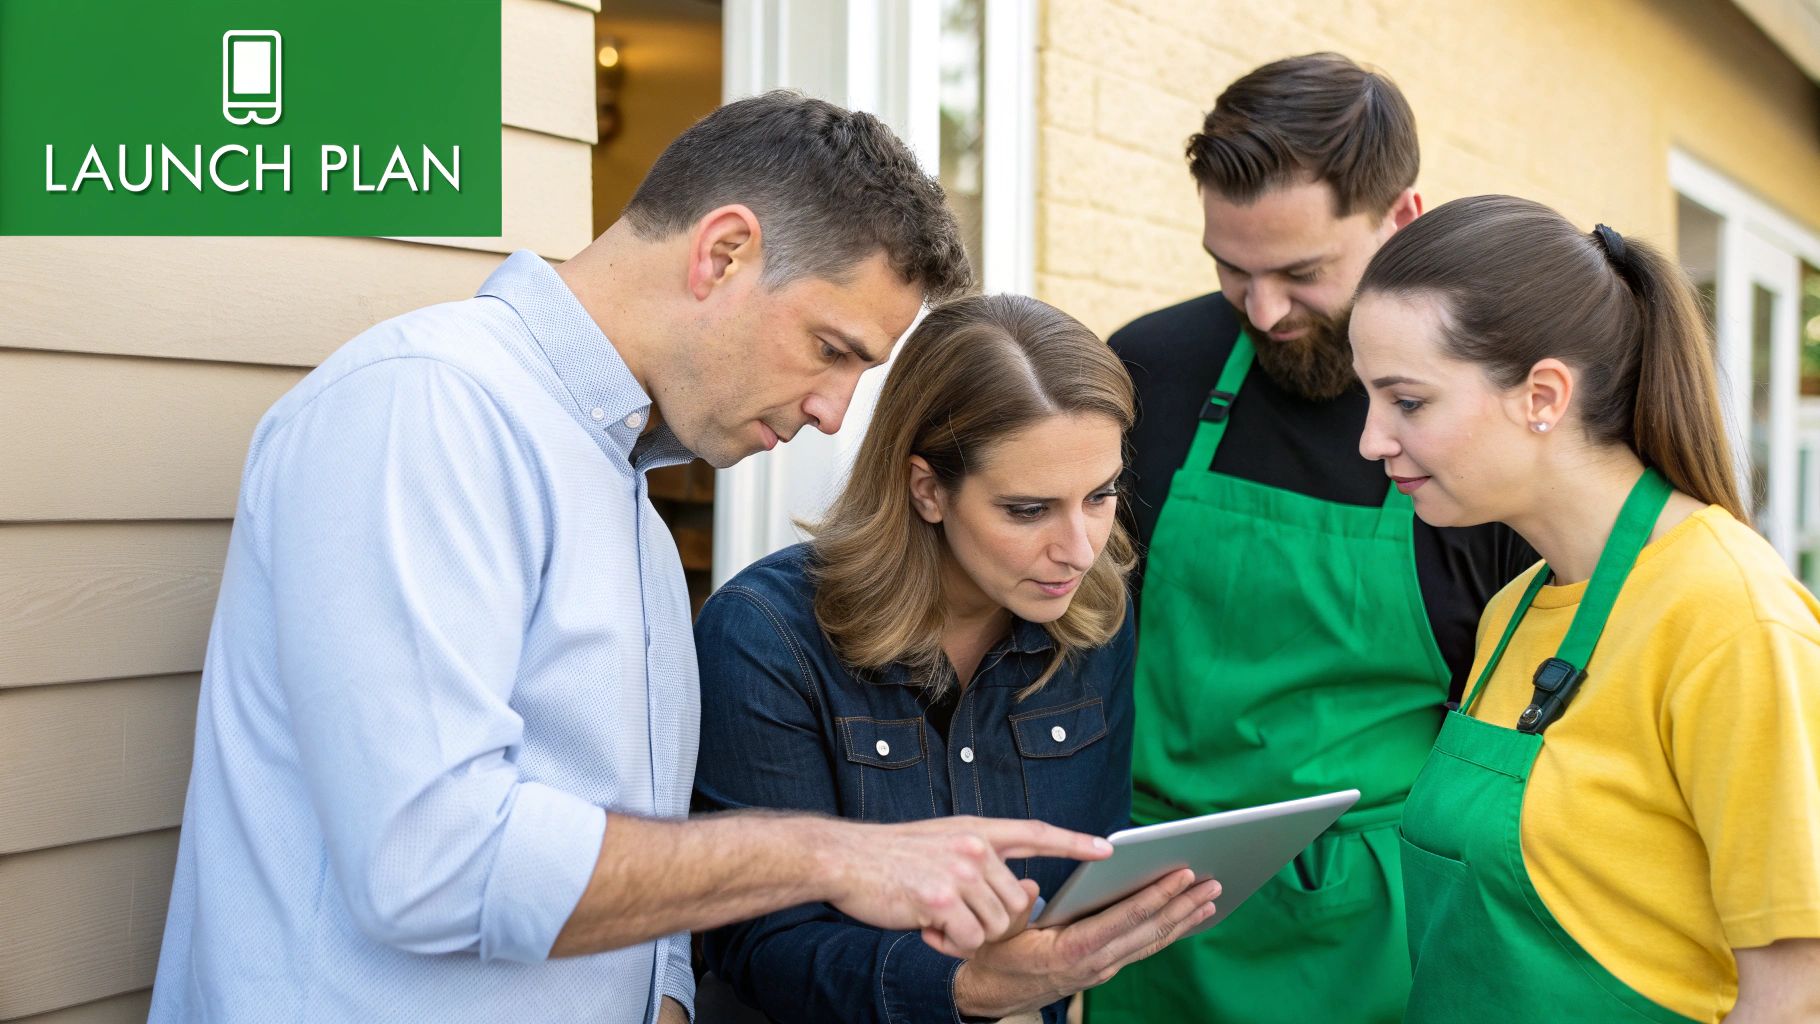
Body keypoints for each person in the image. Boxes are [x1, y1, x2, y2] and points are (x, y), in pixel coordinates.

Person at [148, 92, 1116, 1024]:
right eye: (830, 348)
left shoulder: (624, 490)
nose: (832, 411)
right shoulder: (428, 406)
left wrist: (663, 991)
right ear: (723, 251)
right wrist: (829, 855)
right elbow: (429, 860)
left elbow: (629, 843)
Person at [1086, 54, 1536, 1023]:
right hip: (1143, 927)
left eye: (1300, 273)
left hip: (1368, 951)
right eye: (1229, 270)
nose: (1260, 313)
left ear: (1400, 221)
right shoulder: (1146, 373)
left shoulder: (1477, 435)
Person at [1350, 195, 1820, 1022]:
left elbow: (1795, 987)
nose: (1371, 440)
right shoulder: (1513, 613)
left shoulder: (1729, 614)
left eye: (1408, 402)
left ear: (1543, 395)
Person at [692, 294, 1223, 1024]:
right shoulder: (766, 638)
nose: (1079, 549)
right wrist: (974, 987)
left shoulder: (1094, 617)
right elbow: (758, 944)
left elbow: (1084, 875)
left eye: (1100, 496)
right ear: (928, 489)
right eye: (1029, 510)